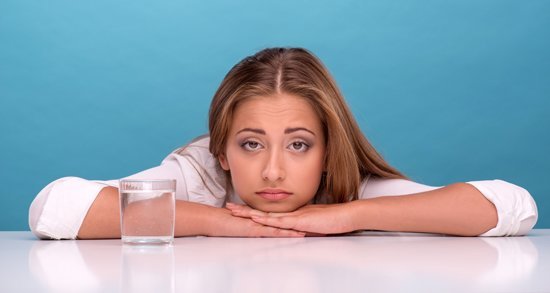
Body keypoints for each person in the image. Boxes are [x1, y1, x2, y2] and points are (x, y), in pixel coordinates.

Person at [29, 47, 538, 240]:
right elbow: (53, 209)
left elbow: (513, 207)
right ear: (222, 150)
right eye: (251, 145)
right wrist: (216, 221)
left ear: (328, 152)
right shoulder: (198, 177)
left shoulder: (349, 190)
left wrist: (348, 215)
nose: (273, 172)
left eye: (298, 146)